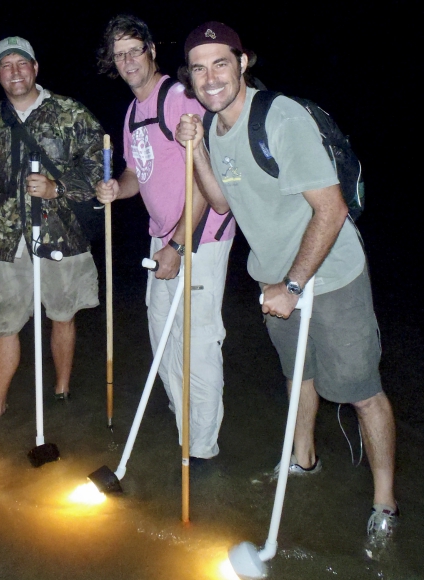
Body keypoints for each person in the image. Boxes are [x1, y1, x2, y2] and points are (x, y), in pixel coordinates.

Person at [176, 21, 397, 546]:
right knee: (300, 377)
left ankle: (385, 503)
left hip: (331, 276)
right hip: (276, 279)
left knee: (361, 391)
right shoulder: (215, 126)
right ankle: (304, 462)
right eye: (199, 68)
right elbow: (226, 202)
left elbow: (331, 207)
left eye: (221, 63)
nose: (210, 78)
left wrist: (294, 285)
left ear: (242, 63)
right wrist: (199, 153)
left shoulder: (280, 117)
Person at [95, 15, 235, 461]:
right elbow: (137, 172)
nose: (128, 60)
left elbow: (201, 178)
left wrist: (178, 245)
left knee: (197, 342)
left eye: (134, 49)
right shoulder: (134, 111)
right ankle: (184, 426)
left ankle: (202, 448)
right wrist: (118, 188)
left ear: (151, 49)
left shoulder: (178, 99)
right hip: (163, 240)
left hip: (200, 237)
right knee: (163, 337)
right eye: (119, 55)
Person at [0, 37, 103, 423]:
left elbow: (99, 169)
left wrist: (59, 189)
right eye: (6, 65)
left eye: (21, 63)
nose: (15, 71)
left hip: (63, 235)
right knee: (5, 323)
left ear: (35, 68)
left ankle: (61, 388)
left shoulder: (71, 112)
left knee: (62, 313)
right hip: (9, 241)